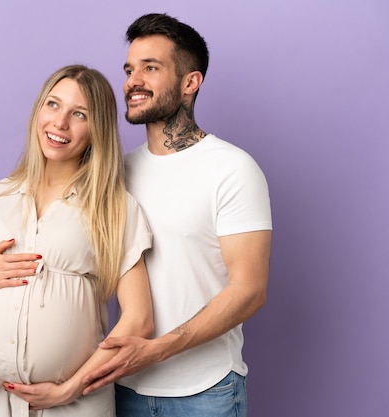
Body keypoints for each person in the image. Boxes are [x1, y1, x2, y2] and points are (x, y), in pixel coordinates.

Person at [74, 13, 273, 416]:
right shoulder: (116, 173)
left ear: (190, 82)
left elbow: (249, 290)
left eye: (151, 67)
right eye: (130, 69)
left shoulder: (232, 168)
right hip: (122, 386)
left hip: (206, 390)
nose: (132, 81)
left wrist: (157, 350)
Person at [0, 64, 154, 417]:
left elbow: (138, 320)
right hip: (2, 403)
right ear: (38, 111)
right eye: (53, 105)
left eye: (79, 114)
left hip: (77, 405)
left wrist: (70, 388)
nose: (60, 123)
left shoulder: (112, 206)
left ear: (97, 130)